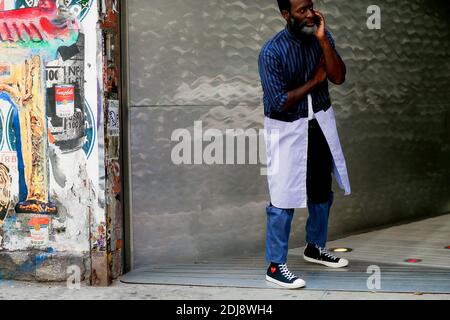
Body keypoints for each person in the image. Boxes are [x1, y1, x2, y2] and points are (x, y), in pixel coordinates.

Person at [258, 0, 351, 289]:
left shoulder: (320, 36)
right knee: (283, 197)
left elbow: (338, 76)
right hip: (286, 127)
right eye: (302, 10)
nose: (310, 14)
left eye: (311, 6)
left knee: (321, 190)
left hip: (320, 122)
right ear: (286, 15)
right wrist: (314, 81)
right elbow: (279, 101)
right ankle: (275, 266)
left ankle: (315, 247)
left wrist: (324, 41)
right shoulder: (272, 52)